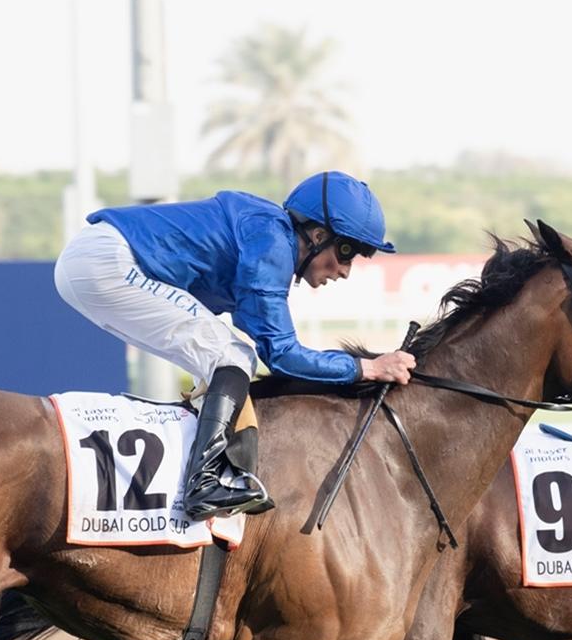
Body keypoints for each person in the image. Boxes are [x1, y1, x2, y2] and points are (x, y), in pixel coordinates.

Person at [53, 171, 417, 521]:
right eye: (347, 253)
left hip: (93, 261)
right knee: (232, 356)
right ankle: (203, 482)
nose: (345, 271)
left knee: (223, 359)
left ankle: (197, 470)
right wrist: (368, 367)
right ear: (318, 234)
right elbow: (282, 355)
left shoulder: (267, 234)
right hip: (107, 262)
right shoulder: (272, 244)